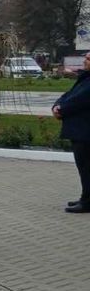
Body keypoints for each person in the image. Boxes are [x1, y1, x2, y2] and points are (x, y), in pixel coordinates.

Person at [53, 50, 90, 213]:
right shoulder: (85, 78)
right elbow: (69, 95)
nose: (85, 61)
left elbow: (78, 100)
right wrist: (57, 105)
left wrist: (61, 109)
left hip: (85, 131)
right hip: (80, 131)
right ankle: (85, 197)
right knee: (84, 167)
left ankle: (87, 202)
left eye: (88, 59)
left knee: (87, 167)